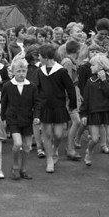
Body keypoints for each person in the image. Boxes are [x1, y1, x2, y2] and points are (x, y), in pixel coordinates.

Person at [37, 44, 77, 173]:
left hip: (58, 106)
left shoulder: (61, 71)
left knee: (58, 135)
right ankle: (49, 160)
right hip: (45, 107)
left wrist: (73, 105)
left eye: (39, 55)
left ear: (46, 56)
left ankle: (55, 150)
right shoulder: (40, 71)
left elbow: (70, 89)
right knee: (47, 134)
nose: (38, 58)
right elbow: (37, 89)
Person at [1, 58, 41, 180]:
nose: (21, 73)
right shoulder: (8, 86)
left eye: (23, 71)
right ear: (13, 71)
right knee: (18, 144)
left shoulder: (32, 86)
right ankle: (15, 167)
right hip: (13, 119)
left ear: (27, 71)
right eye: (18, 71)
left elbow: (37, 103)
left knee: (27, 146)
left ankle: (24, 169)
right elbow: (4, 103)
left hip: (27, 119)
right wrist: (3, 119)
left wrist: (37, 116)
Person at [80, 54, 109, 174]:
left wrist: (103, 80)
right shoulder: (90, 81)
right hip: (94, 111)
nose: (90, 67)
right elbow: (86, 99)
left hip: (108, 110)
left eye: (93, 65)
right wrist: (84, 114)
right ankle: (88, 151)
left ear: (100, 66)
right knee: (95, 139)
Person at [60, 40, 82, 160]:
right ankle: (70, 148)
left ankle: (69, 146)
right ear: (77, 50)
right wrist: (70, 97)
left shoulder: (70, 61)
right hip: (69, 95)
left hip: (73, 93)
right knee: (76, 121)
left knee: (71, 123)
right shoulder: (68, 62)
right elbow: (67, 82)